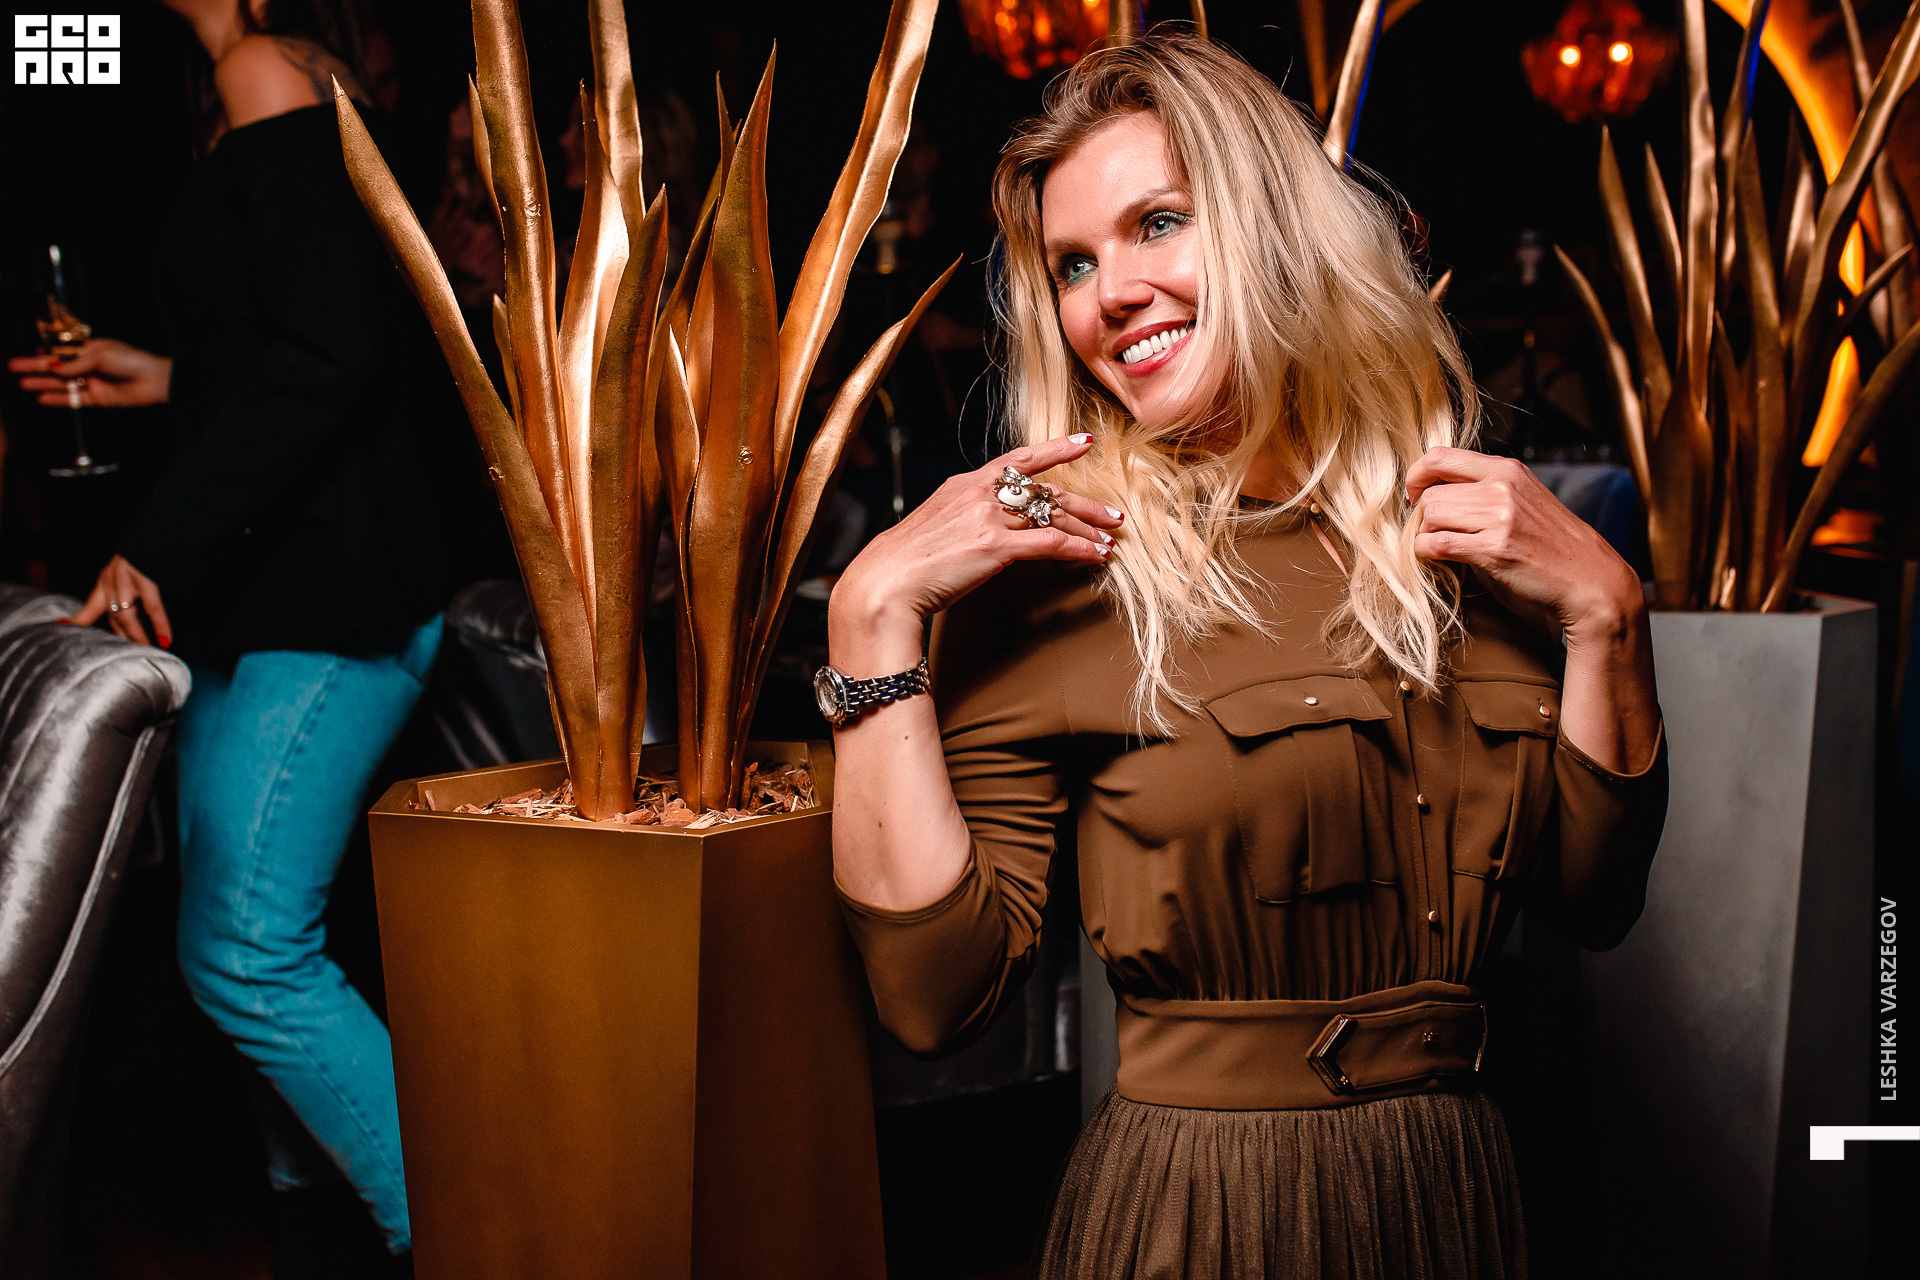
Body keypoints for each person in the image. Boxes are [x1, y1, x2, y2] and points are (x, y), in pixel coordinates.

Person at [823, 34, 1666, 1280]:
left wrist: (1610, 611)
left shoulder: (1455, 535)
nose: (1109, 294)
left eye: (1159, 223)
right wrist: (869, 614)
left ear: (1280, 228)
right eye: (1073, 263)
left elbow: (1596, 897)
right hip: (1207, 1213)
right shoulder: (1065, 570)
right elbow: (933, 997)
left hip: (1461, 1199)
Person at [11, 0, 449, 1266]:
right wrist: (154, 375)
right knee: (239, 941)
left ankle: (478, 1234)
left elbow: (339, 352)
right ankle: (327, 1224)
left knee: (245, 952)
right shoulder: (244, 80)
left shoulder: (263, 66)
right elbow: (295, 340)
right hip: (266, 597)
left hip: (330, 594)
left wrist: (154, 537)